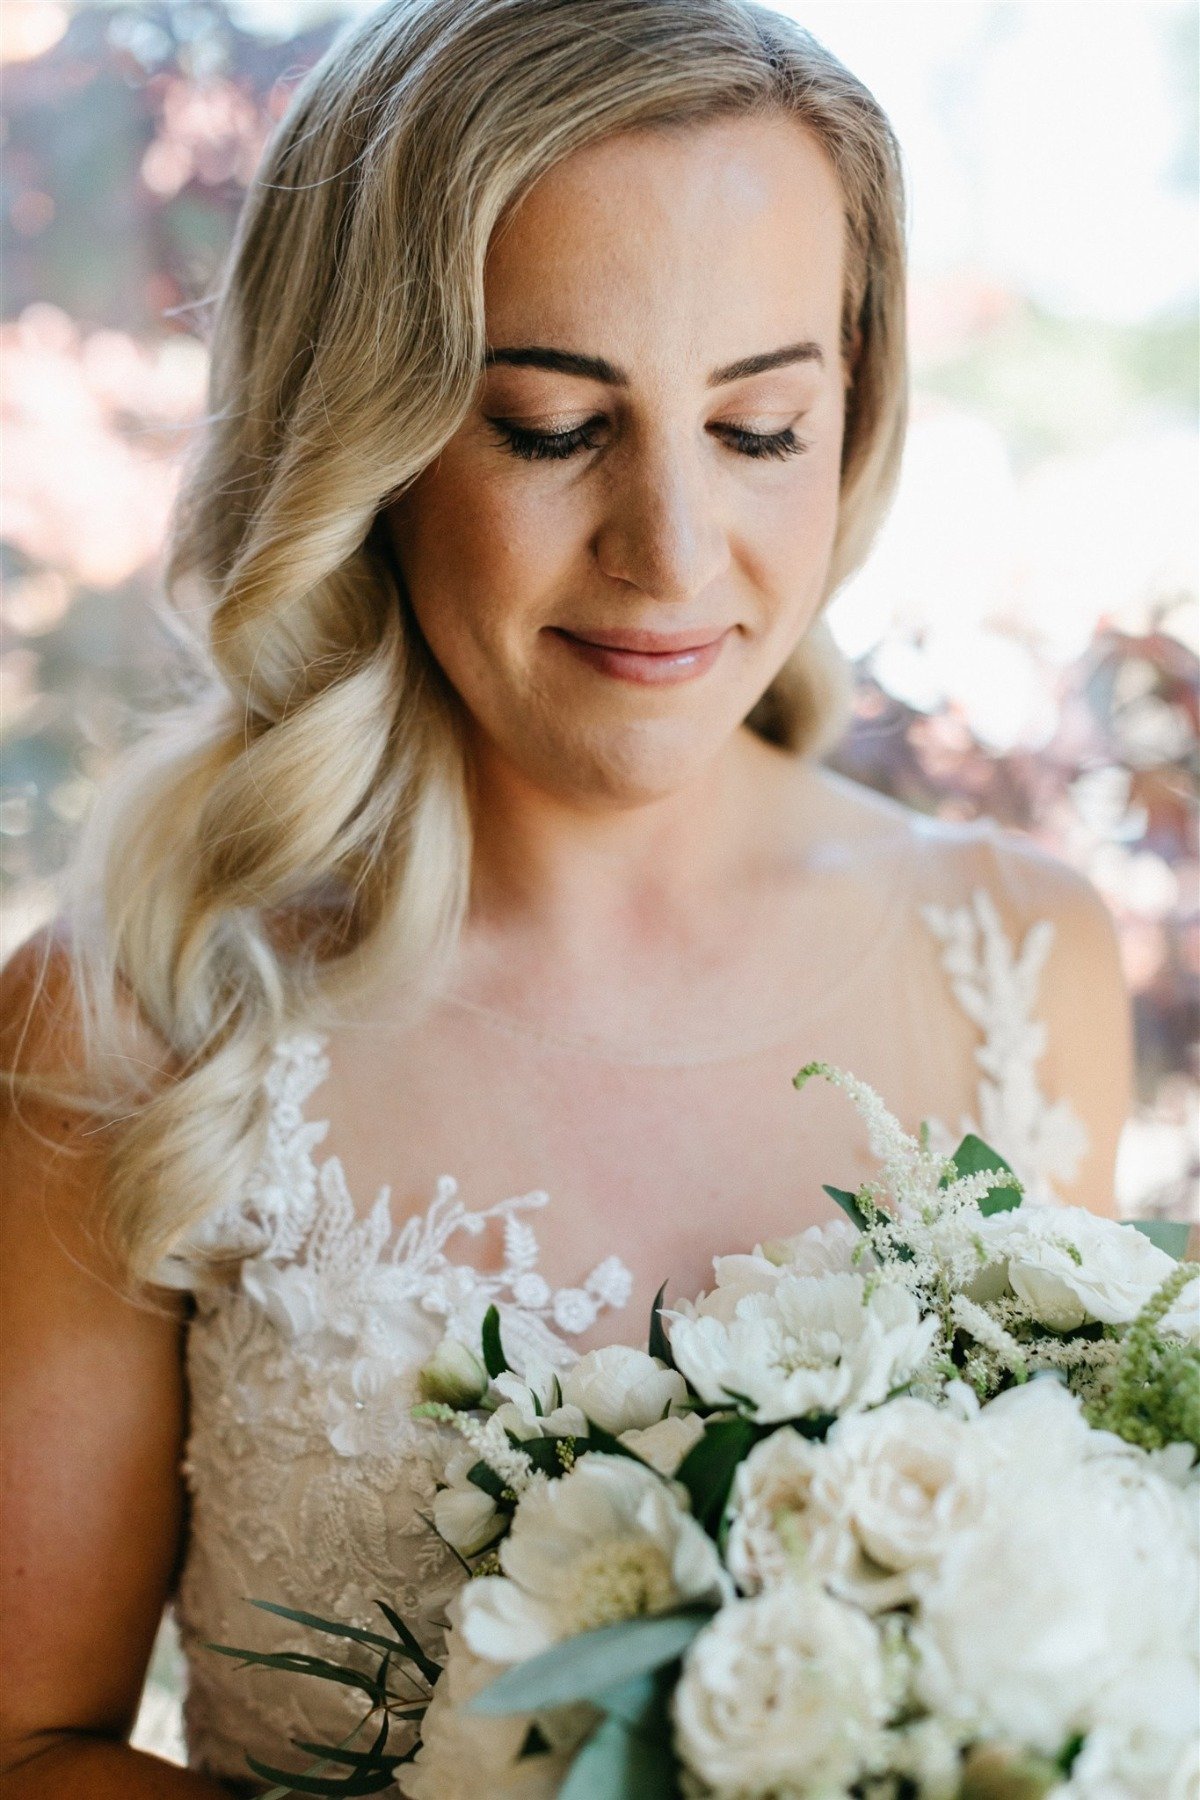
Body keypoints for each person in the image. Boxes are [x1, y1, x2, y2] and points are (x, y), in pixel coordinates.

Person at [0, 0, 1134, 1792]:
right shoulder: (150, 1005)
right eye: (547, 427)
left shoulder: (1022, 961)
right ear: (366, 434)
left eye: (759, 427)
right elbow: (24, 1739)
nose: (671, 552)